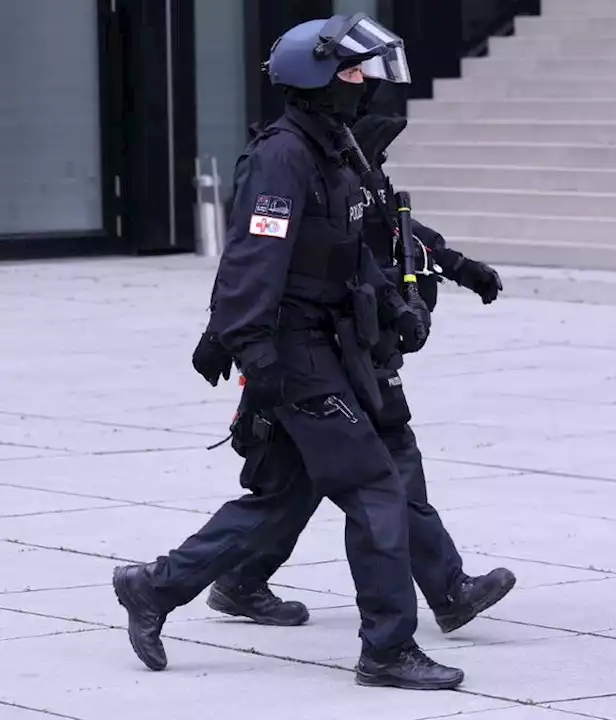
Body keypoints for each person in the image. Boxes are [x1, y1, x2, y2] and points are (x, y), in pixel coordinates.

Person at [111, 14, 463, 691]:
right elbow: (254, 257)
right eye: (352, 72)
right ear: (316, 77)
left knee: (282, 497)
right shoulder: (283, 155)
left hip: (336, 345)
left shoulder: (336, 149)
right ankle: (388, 648)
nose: (362, 85)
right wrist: (249, 348)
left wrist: (398, 304)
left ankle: (153, 588)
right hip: (296, 353)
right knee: (375, 489)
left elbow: (354, 247)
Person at [193, 94, 515, 636]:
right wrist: (229, 336)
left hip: (349, 343)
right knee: (379, 469)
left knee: (296, 484)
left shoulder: (351, 166)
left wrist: (458, 267)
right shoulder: (303, 164)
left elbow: (397, 231)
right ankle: (442, 593)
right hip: (316, 349)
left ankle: (237, 578)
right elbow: (255, 257)